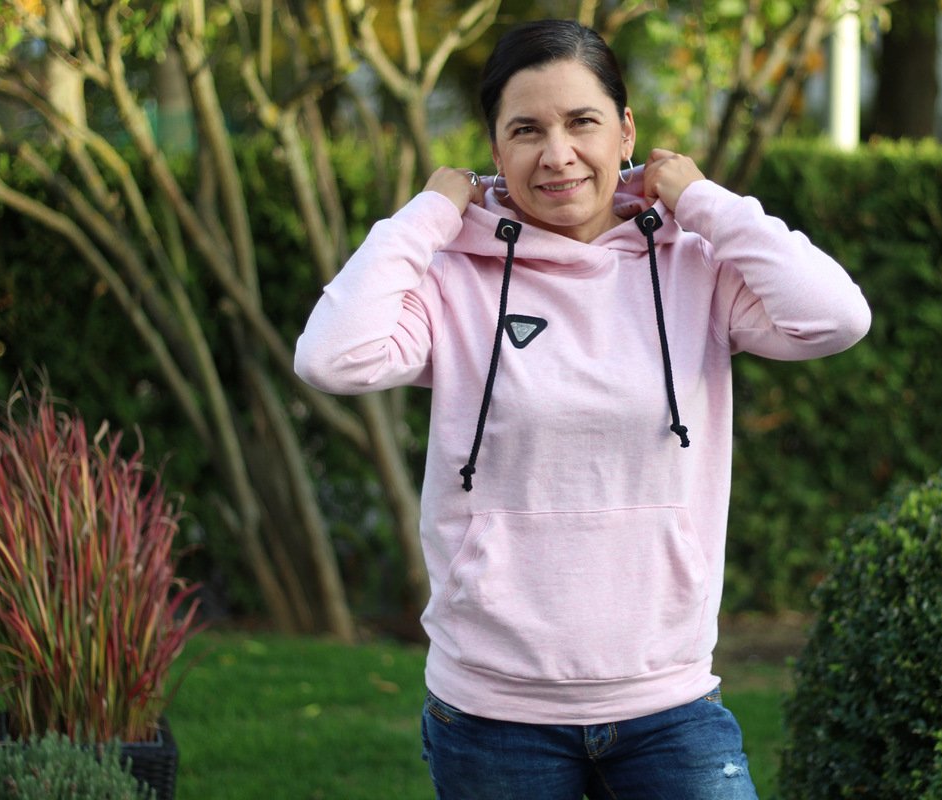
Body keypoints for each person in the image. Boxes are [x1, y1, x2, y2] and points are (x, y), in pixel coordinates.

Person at [294, 18, 870, 800]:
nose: (557, 153)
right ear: (495, 150)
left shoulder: (694, 263)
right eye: (526, 130)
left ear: (626, 131)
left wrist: (702, 200)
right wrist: (429, 214)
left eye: (582, 122)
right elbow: (331, 356)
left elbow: (835, 317)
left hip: (668, 701)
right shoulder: (455, 276)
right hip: (493, 710)